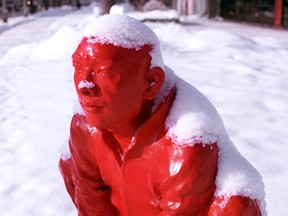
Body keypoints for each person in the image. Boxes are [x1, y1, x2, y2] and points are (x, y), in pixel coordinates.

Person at [59, 14, 266, 215]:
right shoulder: (84, 129)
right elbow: (92, 207)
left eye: (105, 72)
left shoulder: (186, 141)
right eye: (78, 67)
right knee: (68, 161)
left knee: (235, 205)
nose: (84, 85)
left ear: (151, 83)